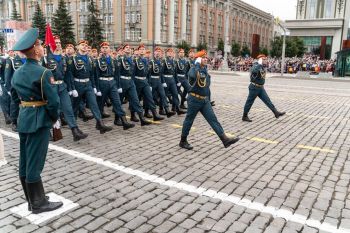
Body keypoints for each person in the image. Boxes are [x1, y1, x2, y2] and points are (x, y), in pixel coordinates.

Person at [10, 28, 63, 214]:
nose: (42, 47)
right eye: (40, 45)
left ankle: (33, 200)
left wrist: (19, 116)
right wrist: (53, 118)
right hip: (39, 121)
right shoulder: (43, 72)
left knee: (25, 161)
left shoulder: (17, 72)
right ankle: (38, 204)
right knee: (35, 163)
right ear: (35, 50)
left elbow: (15, 98)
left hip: (25, 119)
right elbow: (54, 102)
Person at [179, 50, 240, 150]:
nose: (206, 59)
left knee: (213, 119)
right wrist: (197, 64)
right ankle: (183, 141)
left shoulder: (204, 69)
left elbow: (206, 86)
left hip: (204, 100)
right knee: (189, 121)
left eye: (206, 57)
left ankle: (224, 139)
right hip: (194, 99)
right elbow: (193, 75)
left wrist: (208, 99)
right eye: (203, 58)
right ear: (198, 59)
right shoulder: (194, 69)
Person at [43, 36, 88, 141]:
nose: (58, 44)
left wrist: (72, 88)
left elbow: (68, 74)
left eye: (59, 42)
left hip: (62, 87)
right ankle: (48, 130)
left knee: (68, 109)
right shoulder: (45, 58)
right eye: (55, 42)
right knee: (52, 110)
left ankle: (75, 130)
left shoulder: (64, 58)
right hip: (51, 87)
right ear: (51, 44)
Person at [67, 40, 112, 133]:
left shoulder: (90, 59)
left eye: (86, 45)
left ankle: (100, 123)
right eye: (82, 45)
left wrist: (94, 86)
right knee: (75, 106)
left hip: (88, 84)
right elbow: (70, 74)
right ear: (77, 47)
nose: (84, 46)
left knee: (94, 103)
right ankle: (74, 128)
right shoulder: (73, 59)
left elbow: (92, 74)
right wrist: (72, 88)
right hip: (77, 84)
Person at [95, 41, 134, 130]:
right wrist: (97, 89)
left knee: (117, 103)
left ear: (109, 49)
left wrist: (119, 86)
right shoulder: (97, 61)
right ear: (101, 49)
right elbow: (96, 75)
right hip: (102, 83)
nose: (105, 49)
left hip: (112, 83)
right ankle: (99, 123)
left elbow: (117, 74)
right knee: (100, 104)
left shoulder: (114, 60)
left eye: (106, 48)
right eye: (103, 48)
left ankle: (124, 122)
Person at [242, 54, 285, 122]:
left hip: (260, 88)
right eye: (264, 59)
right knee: (249, 102)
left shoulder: (261, 66)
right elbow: (254, 71)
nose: (266, 60)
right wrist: (259, 63)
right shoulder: (256, 65)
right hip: (254, 87)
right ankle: (244, 116)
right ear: (260, 60)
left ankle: (276, 113)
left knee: (267, 100)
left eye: (265, 59)